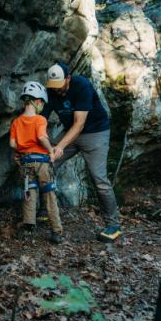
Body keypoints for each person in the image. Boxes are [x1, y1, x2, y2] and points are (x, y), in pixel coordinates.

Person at [42, 62, 122, 242]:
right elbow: (41, 122)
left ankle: (113, 225)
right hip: (70, 131)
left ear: (68, 78)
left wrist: (59, 147)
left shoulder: (81, 85)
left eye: (60, 85)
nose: (57, 91)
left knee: (98, 178)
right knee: (45, 163)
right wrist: (44, 146)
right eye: (53, 87)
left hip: (95, 132)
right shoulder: (50, 91)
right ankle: (44, 210)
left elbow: (80, 123)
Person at [9, 81, 65, 244]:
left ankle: (29, 225)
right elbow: (41, 137)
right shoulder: (40, 119)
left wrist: (19, 152)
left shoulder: (16, 122)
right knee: (48, 194)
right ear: (38, 101)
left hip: (25, 164)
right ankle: (56, 231)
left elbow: (12, 144)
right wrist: (51, 152)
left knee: (29, 192)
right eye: (42, 104)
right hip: (41, 163)